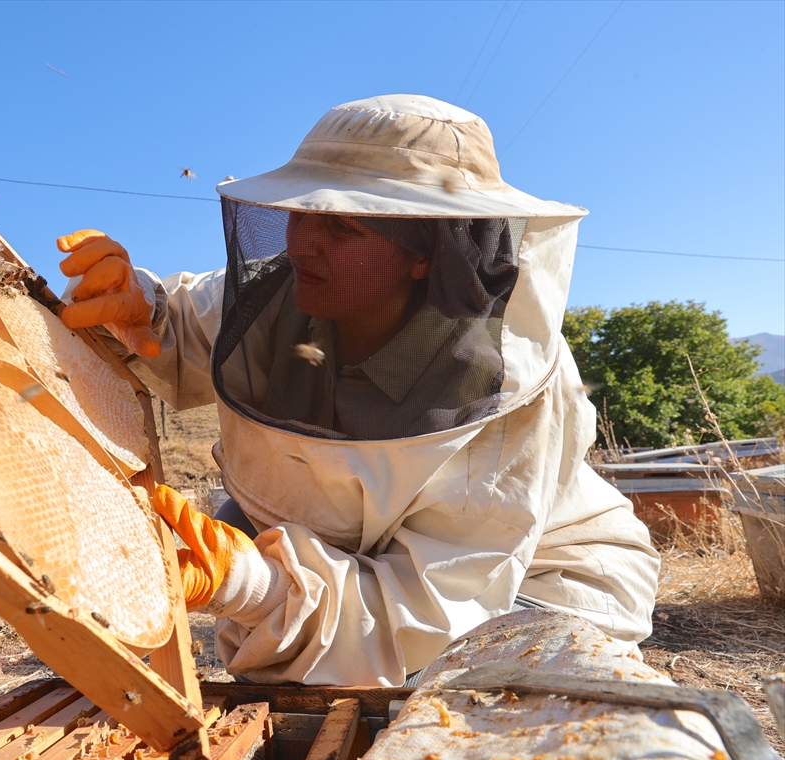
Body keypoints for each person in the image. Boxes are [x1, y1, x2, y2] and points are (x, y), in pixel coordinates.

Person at [56, 95, 660, 687]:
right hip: (353, 550)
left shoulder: (499, 390)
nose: (300, 244)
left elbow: (437, 607)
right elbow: (190, 327)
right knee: (240, 524)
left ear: (427, 255)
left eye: (340, 228)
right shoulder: (280, 293)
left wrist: (243, 582)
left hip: (526, 584)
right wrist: (138, 306)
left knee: (460, 695)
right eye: (300, 213)